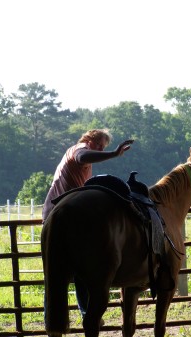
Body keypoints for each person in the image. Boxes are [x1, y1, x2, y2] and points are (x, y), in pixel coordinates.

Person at [42, 128, 133, 322]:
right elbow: (83, 156)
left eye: (103, 146)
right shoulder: (79, 149)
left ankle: (66, 317)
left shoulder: (83, 158)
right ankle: (84, 313)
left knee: (73, 268)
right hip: (62, 215)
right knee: (68, 269)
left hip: (63, 215)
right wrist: (114, 154)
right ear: (89, 140)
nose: (100, 148)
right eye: (99, 144)